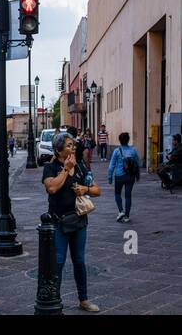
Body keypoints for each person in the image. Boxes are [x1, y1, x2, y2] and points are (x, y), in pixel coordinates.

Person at [42, 131, 102, 312]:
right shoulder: (50, 168)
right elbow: (52, 188)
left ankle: (84, 300)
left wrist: (85, 188)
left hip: (79, 221)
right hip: (59, 222)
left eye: (73, 145)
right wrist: (67, 169)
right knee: (58, 262)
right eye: (68, 146)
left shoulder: (82, 166)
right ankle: (54, 299)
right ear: (58, 150)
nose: (73, 148)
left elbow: (97, 190)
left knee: (79, 261)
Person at [106, 132, 139, 223]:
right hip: (130, 176)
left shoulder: (117, 151)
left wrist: (109, 177)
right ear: (128, 140)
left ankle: (121, 211)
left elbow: (111, 166)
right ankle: (127, 216)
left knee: (117, 194)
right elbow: (137, 163)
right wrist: (137, 175)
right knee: (128, 196)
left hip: (119, 176)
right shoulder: (133, 150)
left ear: (119, 140)